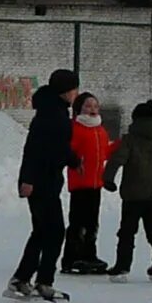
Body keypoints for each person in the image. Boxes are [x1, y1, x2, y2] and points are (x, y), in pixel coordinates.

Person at [8, 68, 81, 303]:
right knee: (54, 231)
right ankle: (43, 284)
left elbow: (57, 147)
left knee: (41, 231)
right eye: (74, 89)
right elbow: (35, 149)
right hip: (42, 182)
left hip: (45, 179)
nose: (76, 94)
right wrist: (27, 179)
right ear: (65, 91)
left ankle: (20, 280)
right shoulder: (53, 115)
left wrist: (72, 160)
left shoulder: (54, 111)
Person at [106, 99, 152, 280]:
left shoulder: (129, 139)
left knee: (127, 232)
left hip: (132, 194)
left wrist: (108, 180)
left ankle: (122, 267)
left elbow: (116, 160)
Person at [64, 91, 115, 274]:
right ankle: (71, 257)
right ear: (79, 109)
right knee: (78, 222)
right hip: (80, 183)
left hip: (96, 184)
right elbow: (68, 152)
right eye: (88, 106)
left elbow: (105, 154)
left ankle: (89, 255)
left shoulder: (101, 130)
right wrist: (78, 163)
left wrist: (119, 145)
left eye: (95, 106)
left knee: (92, 222)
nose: (92, 109)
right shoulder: (75, 128)